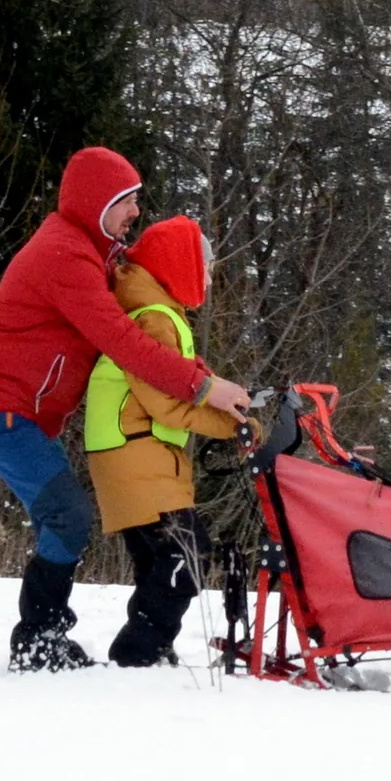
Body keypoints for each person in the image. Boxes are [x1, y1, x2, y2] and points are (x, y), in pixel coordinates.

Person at [0, 147, 250, 671]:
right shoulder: (64, 256)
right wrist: (204, 390)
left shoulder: (94, 255)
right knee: (67, 516)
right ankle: (38, 642)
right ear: (97, 203)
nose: (137, 211)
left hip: (20, 413)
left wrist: (205, 378)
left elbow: (150, 334)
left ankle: (44, 637)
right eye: (128, 201)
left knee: (64, 517)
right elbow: (124, 341)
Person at [83, 216, 241, 667]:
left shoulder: (156, 312)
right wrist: (234, 428)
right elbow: (167, 404)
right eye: (207, 267)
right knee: (188, 556)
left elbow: (185, 385)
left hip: (132, 453)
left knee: (159, 563)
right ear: (181, 265)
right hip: (135, 452)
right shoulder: (155, 318)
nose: (211, 278)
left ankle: (149, 651)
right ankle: (138, 654)